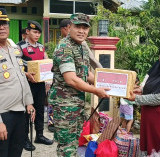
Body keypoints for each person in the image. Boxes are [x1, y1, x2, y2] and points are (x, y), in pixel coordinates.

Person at [48, 13, 110, 157]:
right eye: (78, 27)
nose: (82, 31)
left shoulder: (81, 46)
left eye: (85, 27)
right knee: (67, 148)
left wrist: (105, 84)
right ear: (69, 27)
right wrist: (96, 90)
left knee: (75, 142)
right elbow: (71, 79)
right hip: (65, 106)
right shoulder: (65, 47)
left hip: (77, 105)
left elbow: (85, 73)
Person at [0, 8, 35, 157]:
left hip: (20, 113)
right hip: (3, 115)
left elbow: (22, 77)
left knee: (16, 152)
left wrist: (29, 102)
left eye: (4, 24)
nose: (1, 27)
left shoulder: (14, 49)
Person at [17, 20, 53, 151]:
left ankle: (39, 135)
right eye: (34, 32)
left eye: (39, 33)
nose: (37, 35)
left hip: (40, 84)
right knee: (26, 112)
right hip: (26, 84)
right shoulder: (19, 47)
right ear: (27, 32)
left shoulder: (41, 47)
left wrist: (48, 80)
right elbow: (16, 65)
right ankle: (25, 139)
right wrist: (26, 73)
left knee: (39, 109)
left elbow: (47, 62)